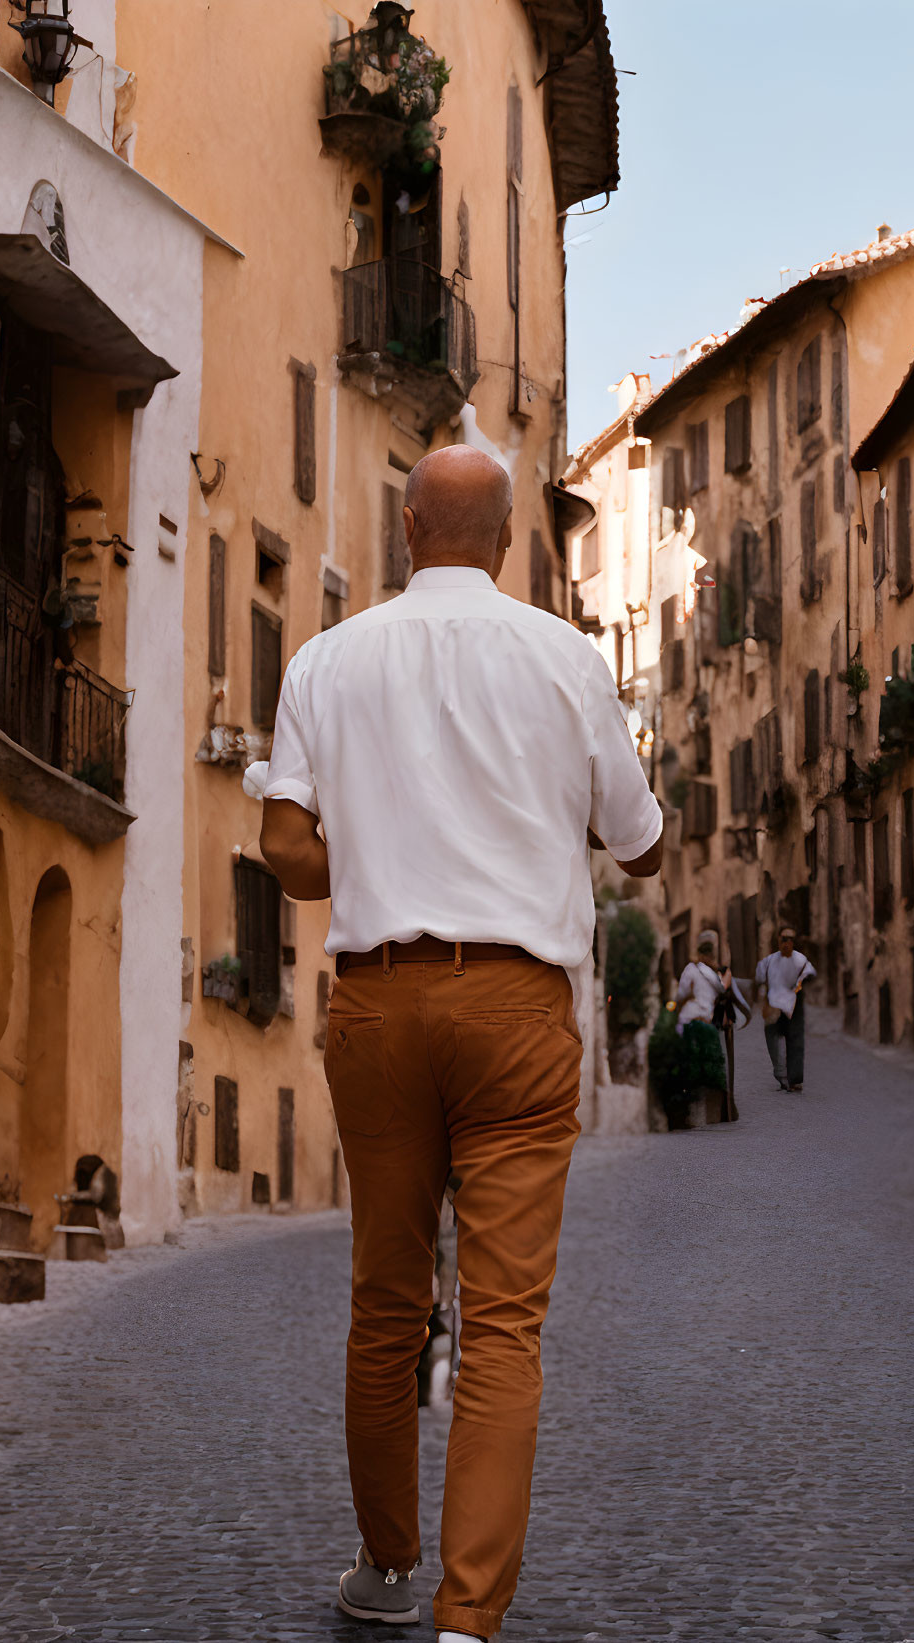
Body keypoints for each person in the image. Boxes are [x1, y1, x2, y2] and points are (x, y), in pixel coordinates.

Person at [259, 444, 663, 1643]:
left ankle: (388, 1566)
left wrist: (380, 858)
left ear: (404, 526)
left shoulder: (324, 662)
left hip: (377, 1009)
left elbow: (285, 848)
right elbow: (639, 845)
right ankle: (466, 1619)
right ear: (506, 543)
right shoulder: (567, 659)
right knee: (500, 1322)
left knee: (387, 1302)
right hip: (518, 1011)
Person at [675, 931, 749, 1114]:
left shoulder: (690, 970)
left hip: (688, 1021)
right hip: (706, 1023)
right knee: (712, 1065)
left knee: (685, 1062)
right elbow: (724, 990)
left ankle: (686, 1100)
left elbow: (680, 995)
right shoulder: (715, 975)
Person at [754, 926, 816, 1091]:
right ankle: (782, 1075)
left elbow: (809, 974)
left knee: (795, 1040)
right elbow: (760, 978)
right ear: (778, 940)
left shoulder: (801, 960)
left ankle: (794, 1080)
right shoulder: (769, 961)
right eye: (784, 939)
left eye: (790, 939)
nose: (787, 943)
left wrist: (799, 985)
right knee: (773, 1037)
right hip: (774, 1004)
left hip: (795, 1003)